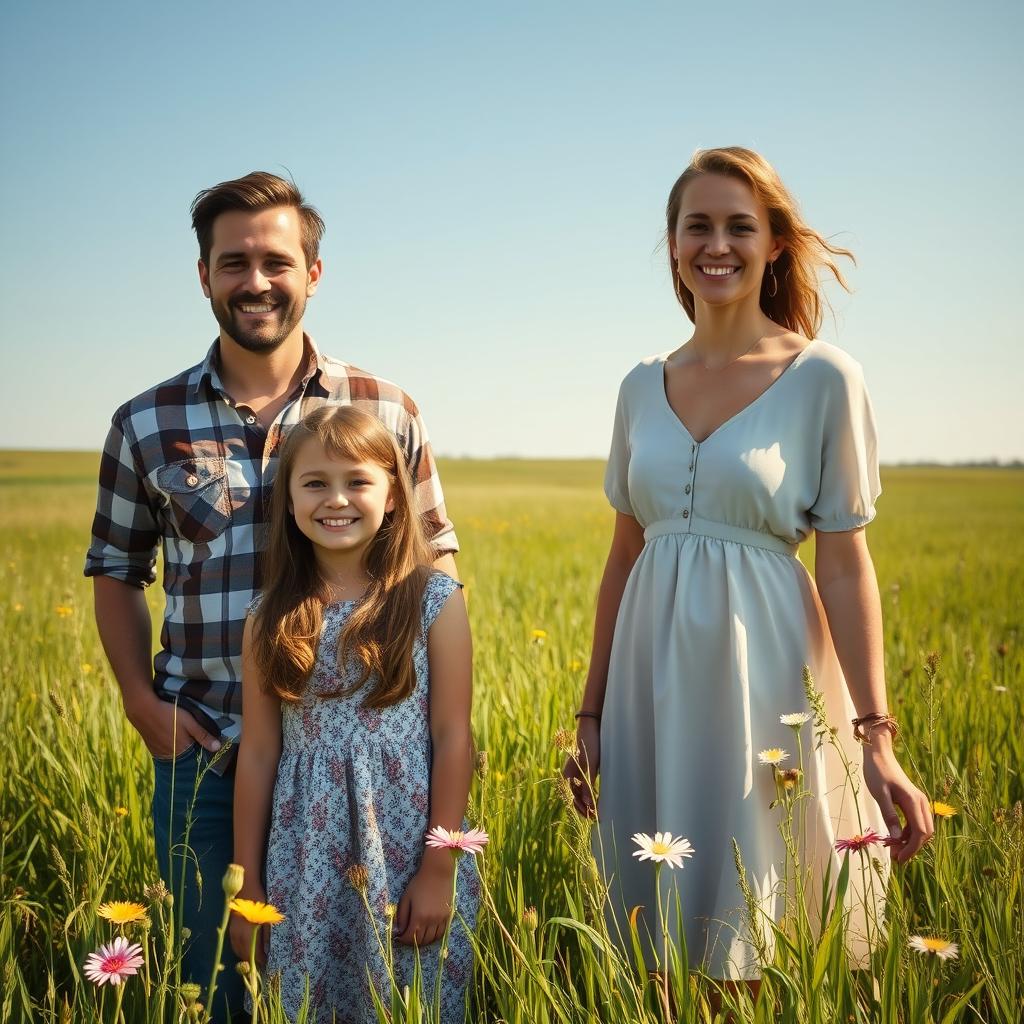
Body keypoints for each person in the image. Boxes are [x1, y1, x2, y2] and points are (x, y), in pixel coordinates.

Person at [85, 172, 458, 1022]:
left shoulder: (386, 409)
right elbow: (115, 570)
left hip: (371, 761)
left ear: (313, 272)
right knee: (221, 980)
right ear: (204, 274)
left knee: (372, 985)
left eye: (277, 261)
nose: (256, 280)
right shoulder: (146, 422)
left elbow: (435, 563)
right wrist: (142, 702)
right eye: (233, 262)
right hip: (212, 747)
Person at [562, 147, 934, 983]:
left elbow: (845, 566)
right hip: (647, 681)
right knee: (653, 928)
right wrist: (590, 717)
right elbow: (625, 556)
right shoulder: (638, 385)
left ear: (773, 245)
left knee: (752, 917)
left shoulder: (826, 379)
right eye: (698, 225)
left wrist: (878, 740)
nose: (716, 244)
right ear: (672, 244)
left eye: (740, 226)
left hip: (766, 674)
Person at [229, 405, 479, 1022]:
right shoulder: (270, 615)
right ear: (287, 502)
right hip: (304, 855)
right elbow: (259, 753)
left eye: (357, 481)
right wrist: (247, 887)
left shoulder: (433, 602)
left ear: (393, 495)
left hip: (406, 850)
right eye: (314, 483)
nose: (335, 498)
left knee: (412, 1000)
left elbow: (453, 738)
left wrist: (439, 867)